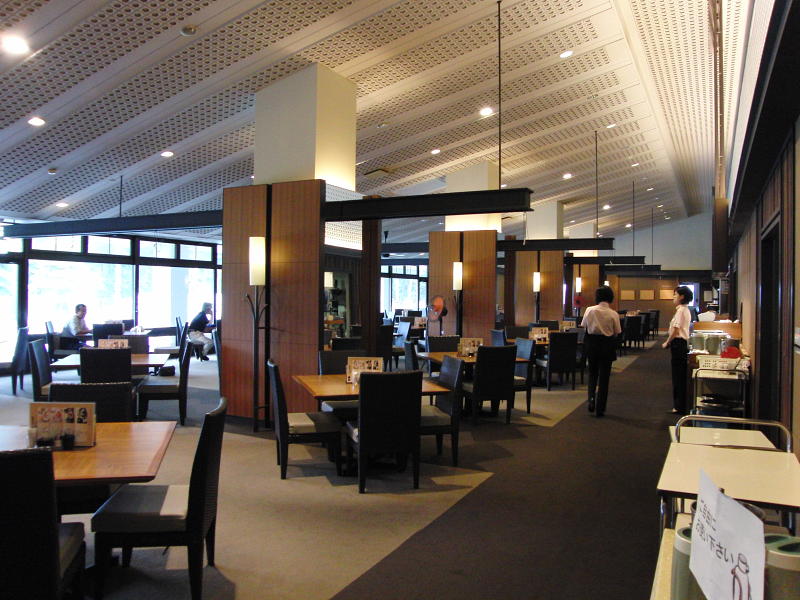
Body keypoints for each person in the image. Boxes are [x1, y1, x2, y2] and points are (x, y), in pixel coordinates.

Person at [580, 286, 622, 417]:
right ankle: (600, 407)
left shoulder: (590, 310)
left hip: (592, 344)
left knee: (592, 374)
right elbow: (617, 332)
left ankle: (591, 399)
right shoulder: (613, 313)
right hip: (607, 345)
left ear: (597, 297)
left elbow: (584, 326)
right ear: (610, 297)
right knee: (604, 377)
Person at [662, 286, 693, 414]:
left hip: (678, 344)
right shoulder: (684, 310)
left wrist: (667, 342)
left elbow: (676, 330)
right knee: (679, 375)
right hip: (681, 344)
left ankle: (679, 406)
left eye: (675, 294)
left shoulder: (681, 311)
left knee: (678, 376)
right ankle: (679, 405)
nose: (673, 297)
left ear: (682, 297)